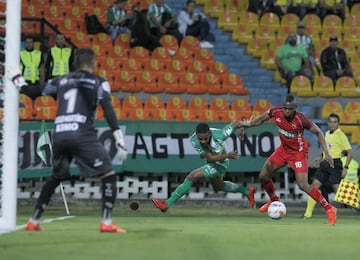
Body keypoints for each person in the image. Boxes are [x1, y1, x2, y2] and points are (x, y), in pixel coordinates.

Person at [9, 48, 128, 233]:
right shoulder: (99, 82)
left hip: (60, 134)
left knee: (57, 176)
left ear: (74, 64)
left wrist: (17, 78)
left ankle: (33, 220)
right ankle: (106, 221)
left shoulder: (60, 80)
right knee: (108, 175)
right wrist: (118, 136)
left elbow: (32, 92)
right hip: (82, 133)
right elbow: (107, 108)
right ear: (93, 63)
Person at [238, 95, 337, 225]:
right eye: (285, 108)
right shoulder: (276, 111)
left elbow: (318, 132)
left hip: (298, 153)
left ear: (295, 108)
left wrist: (326, 153)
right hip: (283, 150)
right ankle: (274, 200)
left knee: (303, 185)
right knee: (263, 176)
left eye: (290, 109)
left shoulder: (301, 119)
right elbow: (261, 119)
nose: (286, 111)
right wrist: (247, 125)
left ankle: (329, 208)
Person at [151, 122, 255, 212]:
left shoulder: (221, 134)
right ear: (197, 135)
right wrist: (228, 155)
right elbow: (211, 158)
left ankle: (166, 204)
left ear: (210, 133)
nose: (203, 141)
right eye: (201, 139)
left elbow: (236, 123)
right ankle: (246, 191)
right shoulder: (194, 140)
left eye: (205, 138)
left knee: (192, 176)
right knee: (219, 186)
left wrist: (242, 129)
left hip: (221, 163)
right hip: (213, 160)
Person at [303, 113, 352, 218]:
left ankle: (353, 202)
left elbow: (350, 152)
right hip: (325, 163)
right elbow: (328, 149)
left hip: (335, 163)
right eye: (330, 122)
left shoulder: (341, 135)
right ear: (328, 123)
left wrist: (345, 168)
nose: (332, 124)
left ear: (338, 123)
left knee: (337, 190)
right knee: (314, 186)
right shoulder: (326, 134)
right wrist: (320, 156)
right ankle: (307, 214)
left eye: (335, 122)